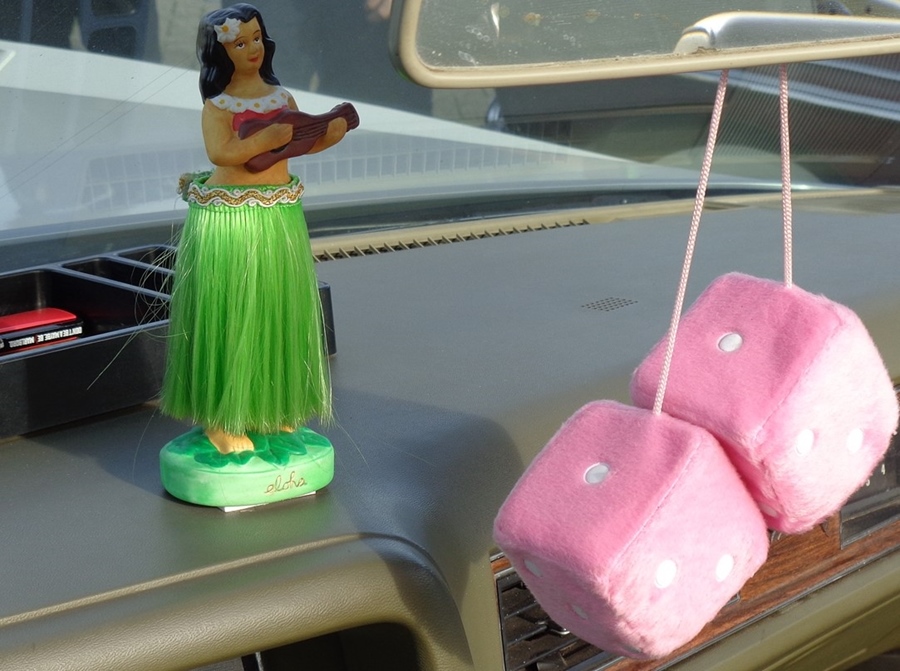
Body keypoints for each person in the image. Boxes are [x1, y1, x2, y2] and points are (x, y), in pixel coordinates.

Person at [160, 3, 347, 456]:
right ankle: (221, 419)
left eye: (257, 38)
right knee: (231, 317)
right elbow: (221, 152)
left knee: (276, 312)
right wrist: (263, 140)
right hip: (231, 219)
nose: (252, 49)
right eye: (240, 42)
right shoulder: (218, 105)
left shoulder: (280, 98)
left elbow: (299, 141)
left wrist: (330, 134)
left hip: (276, 215)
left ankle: (273, 404)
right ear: (219, 53)